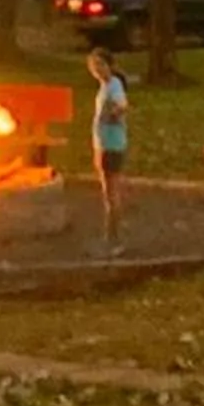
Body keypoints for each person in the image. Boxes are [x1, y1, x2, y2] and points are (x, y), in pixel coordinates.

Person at [86, 47, 130, 255]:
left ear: (109, 65)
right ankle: (109, 238)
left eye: (101, 65)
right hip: (102, 145)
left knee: (111, 194)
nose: (97, 69)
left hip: (112, 146)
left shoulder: (114, 85)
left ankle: (115, 240)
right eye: (94, 66)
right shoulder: (105, 87)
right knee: (108, 194)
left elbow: (122, 105)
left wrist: (112, 114)